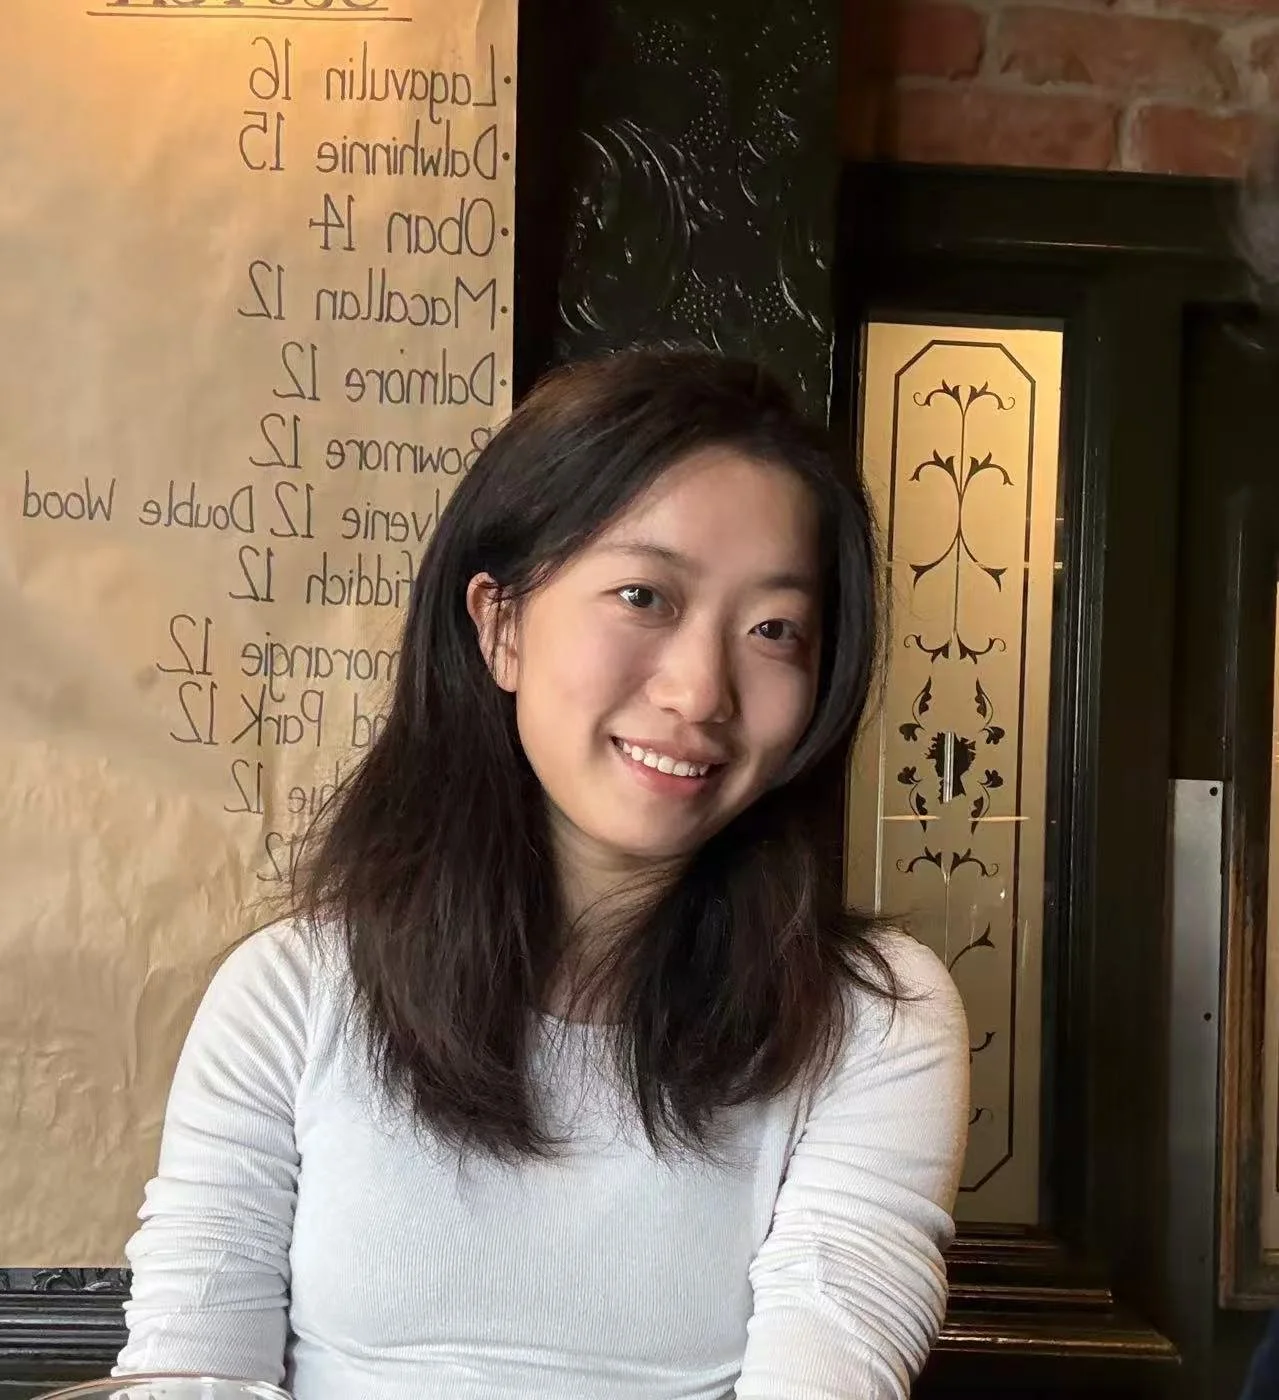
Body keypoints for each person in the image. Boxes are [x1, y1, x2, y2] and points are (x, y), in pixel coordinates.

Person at [114, 350, 970, 1399]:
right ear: (500, 623)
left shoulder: (872, 1021)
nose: (701, 689)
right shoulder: (291, 994)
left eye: (772, 629)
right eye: (643, 594)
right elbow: (188, 1372)